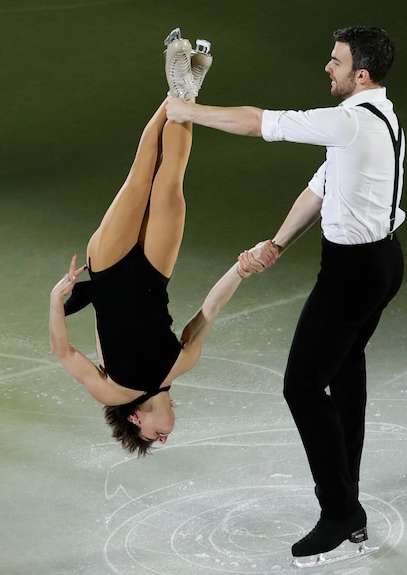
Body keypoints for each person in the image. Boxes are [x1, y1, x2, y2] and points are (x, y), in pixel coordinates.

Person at [166, 26, 405, 558]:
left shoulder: (347, 121)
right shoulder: (384, 120)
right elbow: (322, 188)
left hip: (353, 273)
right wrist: (276, 243)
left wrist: (190, 113)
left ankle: (340, 510)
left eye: (336, 62)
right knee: (344, 376)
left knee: (302, 386)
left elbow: (258, 123)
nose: (328, 67)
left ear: (359, 75)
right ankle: (352, 507)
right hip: (383, 263)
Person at [49, 29, 260, 457]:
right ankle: (184, 93)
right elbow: (210, 311)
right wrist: (240, 270)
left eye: (153, 437)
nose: (165, 435)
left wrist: (57, 299)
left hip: (107, 268)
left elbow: (65, 353)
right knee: (171, 183)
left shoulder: (113, 392)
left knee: (142, 175)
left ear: (135, 419)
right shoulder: (183, 364)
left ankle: (178, 93)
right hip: (153, 272)